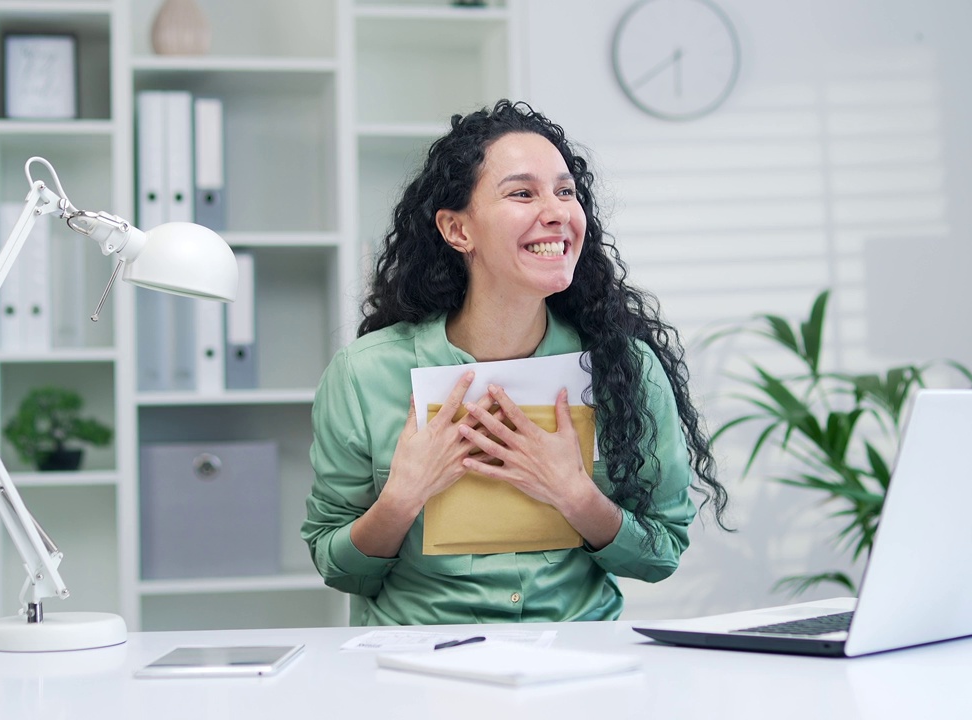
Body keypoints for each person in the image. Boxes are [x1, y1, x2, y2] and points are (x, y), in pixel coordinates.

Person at [301, 100, 727, 625]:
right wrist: (401, 499)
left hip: (576, 662)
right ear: (458, 231)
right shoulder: (364, 374)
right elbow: (339, 569)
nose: (557, 211)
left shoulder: (625, 366)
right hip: (419, 667)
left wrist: (575, 495)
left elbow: (661, 554)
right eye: (522, 193)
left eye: (565, 191)